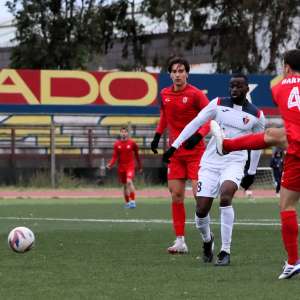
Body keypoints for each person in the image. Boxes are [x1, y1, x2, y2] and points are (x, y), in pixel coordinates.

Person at [210, 49, 300, 279]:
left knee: (287, 206)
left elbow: (283, 91)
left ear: (286, 67)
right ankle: (228, 145)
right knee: (272, 134)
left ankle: (293, 261)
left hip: (297, 153)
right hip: (293, 144)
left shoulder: (278, 87)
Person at [163, 73, 265, 265]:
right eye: (232, 86)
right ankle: (207, 240)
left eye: (239, 86)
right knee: (201, 210)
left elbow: (258, 144)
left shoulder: (257, 115)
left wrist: (251, 172)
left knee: (225, 196)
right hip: (210, 163)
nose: (234, 89)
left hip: (234, 162)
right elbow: (195, 123)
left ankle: (225, 251)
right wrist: (175, 146)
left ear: (246, 89)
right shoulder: (217, 103)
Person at [150, 57, 210, 254]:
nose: (178, 74)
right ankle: (180, 241)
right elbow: (164, 116)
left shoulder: (196, 95)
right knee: (176, 195)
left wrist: (199, 135)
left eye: (181, 71)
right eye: (174, 71)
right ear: (170, 74)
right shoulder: (165, 93)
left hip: (195, 153)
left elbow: (211, 117)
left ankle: (206, 238)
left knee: (199, 197)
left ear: (187, 73)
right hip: (175, 154)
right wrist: (158, 136)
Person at [107, 127, 142, 208]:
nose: (123, 133)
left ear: (127, 133)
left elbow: (137, 155)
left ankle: (133, 201)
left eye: (125, 132)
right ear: (120, 133)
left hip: (130, 166)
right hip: (121, 167)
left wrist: (140, 166)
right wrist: (110, 164)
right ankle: (127, 203)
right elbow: (114, 157)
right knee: (125, 185)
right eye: (122, 132)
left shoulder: (132, 143)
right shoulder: (117, 144)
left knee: (129, 181)